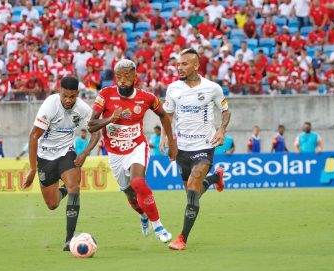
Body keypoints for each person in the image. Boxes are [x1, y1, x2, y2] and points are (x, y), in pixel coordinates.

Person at [88, 59, 177, 243]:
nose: (122, 80)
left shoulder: (147, 97)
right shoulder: (105, 94)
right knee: (130, 194)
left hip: (137, 147)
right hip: (114, 153)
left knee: (138, 183)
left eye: (127, 76)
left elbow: (164, 116)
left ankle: (158, 225)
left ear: (135, 76)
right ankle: (143, 216)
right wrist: (110, 118)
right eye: (119, 76)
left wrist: (170, 140)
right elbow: (91, 125)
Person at [161, 48, 230, 251]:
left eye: (184, 64)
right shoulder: (173, 88)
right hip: (182, 148)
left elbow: (225, 111)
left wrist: (221, 129)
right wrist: (165, 138)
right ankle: (216, 178)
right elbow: (168, 116)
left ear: (196, 65)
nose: (179, 68)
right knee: (193, 192)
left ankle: (182, 238)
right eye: (178, 64)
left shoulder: (212, 88)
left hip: (205, 146)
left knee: (193, 188)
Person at [22, 77, 100, 251]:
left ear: (77, 94)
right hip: (45, 157)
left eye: (72, 97)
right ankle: (64, 188)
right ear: (59, 91)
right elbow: (34, 136)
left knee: (75, 188)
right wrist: (33, 169)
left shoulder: (83, 109)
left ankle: (69, 239)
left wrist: (85, 153)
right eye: (65, 96)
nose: (68, 100)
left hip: (66, 152)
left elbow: (96, 134)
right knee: (52, 204)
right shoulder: (50, 105)